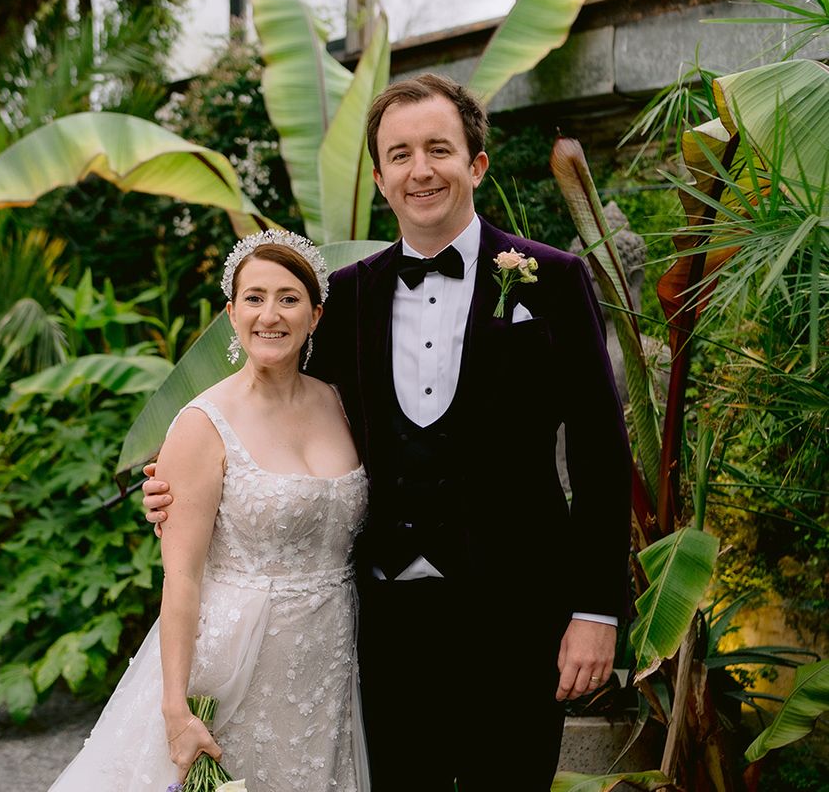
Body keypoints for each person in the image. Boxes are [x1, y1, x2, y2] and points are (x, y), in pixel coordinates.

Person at [144, 73, 632, 791]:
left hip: (519, 617)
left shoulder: (550, 282)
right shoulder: (344, 301)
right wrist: (173, 492)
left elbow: (600, 456)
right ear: (378, 175)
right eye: (399, 155)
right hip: (381, 624)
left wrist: (596, 609)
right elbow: (274, 420)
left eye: (439, 149)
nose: (420, 169)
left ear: (476, 164)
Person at [50, 232, 370, 792]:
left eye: (289, 299)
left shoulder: (340, 402)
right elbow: (182, 579)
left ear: (315, 315)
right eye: (254, 298)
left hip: (330, 655)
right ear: (231, 312)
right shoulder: (203, 422)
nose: (270, 314)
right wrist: (176, 708)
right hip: (234, 660)